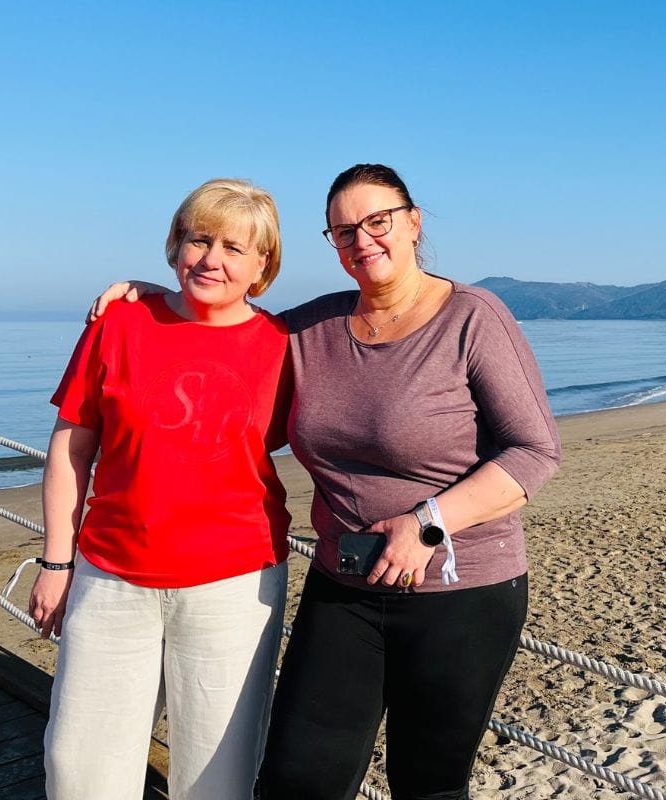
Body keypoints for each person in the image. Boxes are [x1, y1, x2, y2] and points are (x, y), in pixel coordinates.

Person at [92, 163, 561, 799]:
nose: (362, 239)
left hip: (460, 588)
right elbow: (228, 324)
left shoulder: (473, 316)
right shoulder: (312, 328)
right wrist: (160, 299)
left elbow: (534, 451)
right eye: (343, 231)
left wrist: (427, 524)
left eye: (378, 221)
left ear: (413, 222)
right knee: (297, 779)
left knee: (427, 783)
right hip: (344, 586)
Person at [31, 178, 293, 800]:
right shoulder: (118, 322)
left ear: (263, 265)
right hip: (111, 575)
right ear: (175, 244)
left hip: (234, 584)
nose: (212, 259)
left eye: (234, 247)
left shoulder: (285, 346)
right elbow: (72, 448)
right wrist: (56, 559)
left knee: (215, 779)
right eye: (199, 239)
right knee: (79, 769)